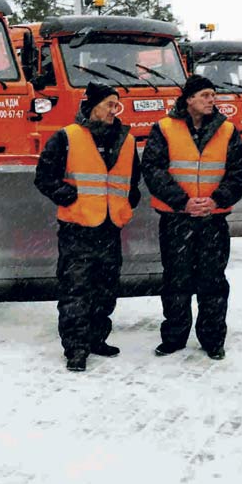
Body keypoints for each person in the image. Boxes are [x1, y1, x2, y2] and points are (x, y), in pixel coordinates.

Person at [35, 82, 142, 372]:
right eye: (109, 104)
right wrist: (66, 196)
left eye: (116, 105)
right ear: (92, 105)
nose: (114, 110)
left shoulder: (126, 140)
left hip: (110, 227)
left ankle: (97, 339)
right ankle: (76, 348)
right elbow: (44, 177)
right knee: (76, 289)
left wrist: (130, 201)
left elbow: (133, 181)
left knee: (106, 288)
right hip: (78, 227)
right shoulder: (67, 137)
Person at [141, 75, 242, 360]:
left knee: (213, 281)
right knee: (176, 280)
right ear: (188, 99)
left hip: (213, 219)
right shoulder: (164, 129)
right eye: (204, 95)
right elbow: (153, 170)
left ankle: (213, 339)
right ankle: (174, 337)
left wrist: (216, 200)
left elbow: (238, 175)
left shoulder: (227, 131)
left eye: (213, 95)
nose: (211, 100)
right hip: (177, 219)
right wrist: (183, 202)